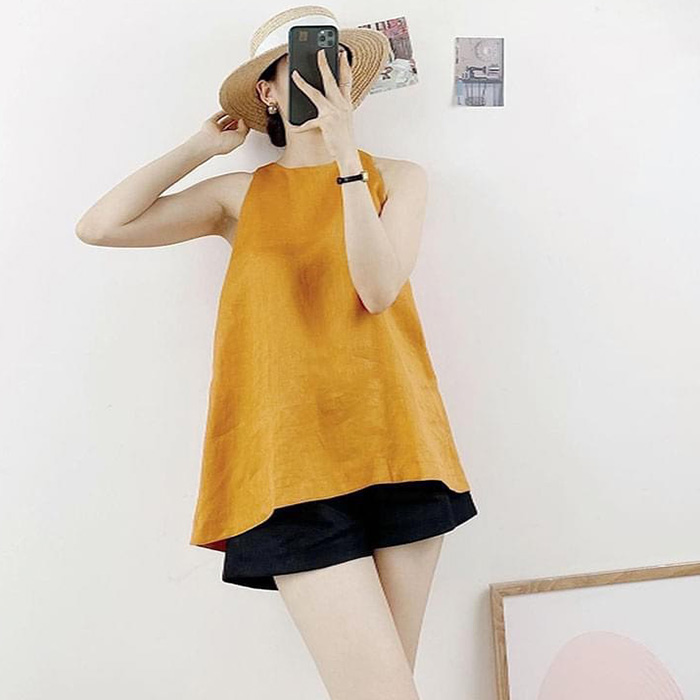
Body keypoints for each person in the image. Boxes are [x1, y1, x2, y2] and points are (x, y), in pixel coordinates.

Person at [76, 6, 478, 699]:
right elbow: (100, 227)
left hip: (398, 449)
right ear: (267, 92)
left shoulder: (400, 177)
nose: (325, 79)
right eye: (305, 66)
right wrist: (200, 147)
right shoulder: (239, 196)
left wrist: (347, 158)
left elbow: (377, 288)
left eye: (337, 65)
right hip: (287, 465)